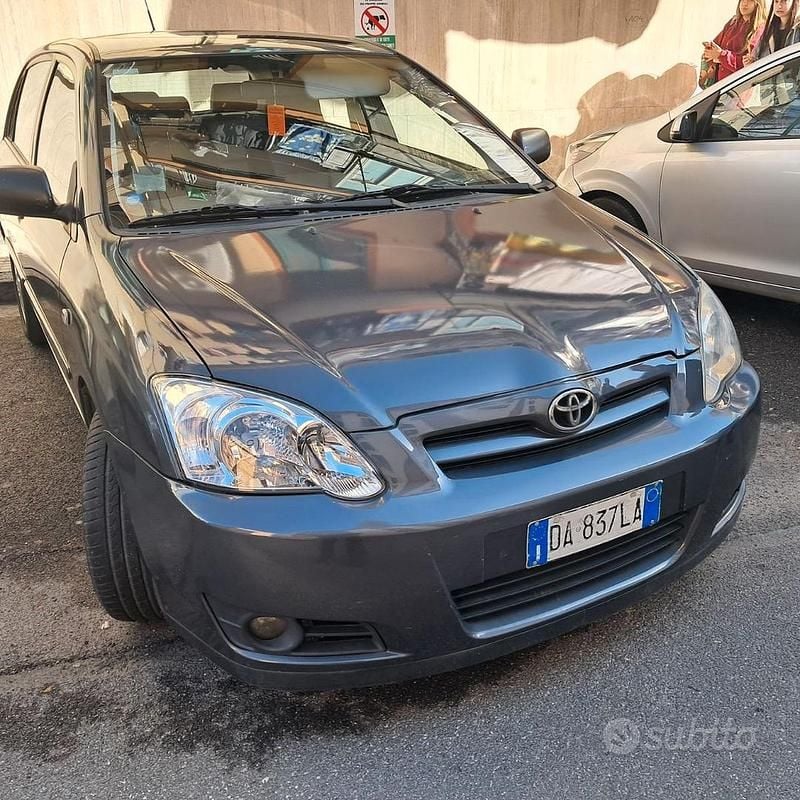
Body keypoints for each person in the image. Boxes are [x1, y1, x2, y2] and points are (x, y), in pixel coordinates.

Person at [704, 0, 768, 82]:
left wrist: (721, 55)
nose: (745, 3)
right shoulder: (733, 22)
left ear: (758, 3)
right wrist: (710, 51)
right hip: (721, 84)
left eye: (750, 0)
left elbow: (749, 64)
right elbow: (715, 45)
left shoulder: (760, 28)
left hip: (740, 86)